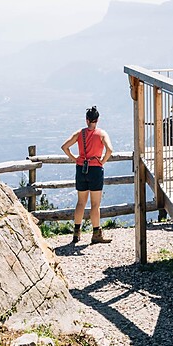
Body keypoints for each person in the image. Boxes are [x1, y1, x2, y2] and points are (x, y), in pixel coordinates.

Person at [63, 105, 112, 246]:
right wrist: (102, 161)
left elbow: (64, 147)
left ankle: (76, 233)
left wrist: (75, 159)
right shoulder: (102, 134)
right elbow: (110, 150)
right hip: (95, 169)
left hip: (81, 168)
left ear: (87, 120)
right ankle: (96, 234)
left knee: (80, 202)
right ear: (97, 119)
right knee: (95, 204)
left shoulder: (80, 133)